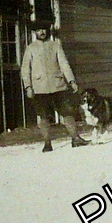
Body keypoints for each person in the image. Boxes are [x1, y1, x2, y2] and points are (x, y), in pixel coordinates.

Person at [21, 19, 89, 152]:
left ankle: (75, 138)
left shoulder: (55, 45)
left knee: (67, 113)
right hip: (40, 88)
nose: (42, 32)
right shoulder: (31, 48)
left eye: (44, 29)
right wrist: (28, 87)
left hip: (58, 86)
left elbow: (64, 64)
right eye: (39, 30)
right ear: (34, 32)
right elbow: (25, 69)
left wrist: (71, 81)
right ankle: (47, 143)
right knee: (44, 116)